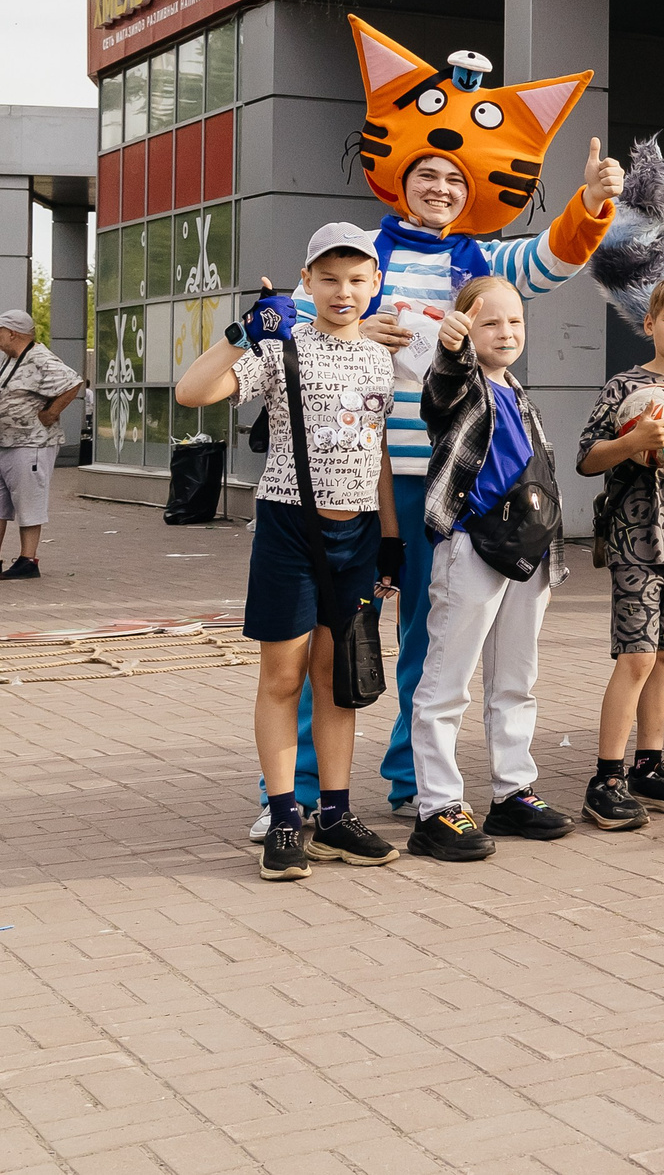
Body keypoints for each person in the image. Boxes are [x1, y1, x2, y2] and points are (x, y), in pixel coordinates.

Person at [330, 22, 622, 824]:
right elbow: (306, 313)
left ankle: (449, 781)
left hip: (465, 484)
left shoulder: (481, 262)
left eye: (454, 181)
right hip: (378, 477)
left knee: (461, 638)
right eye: (427, 173)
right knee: (382, 632)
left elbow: (549, 263)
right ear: (398, 177)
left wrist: (590, 202)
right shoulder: (361, 256)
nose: (441, 188)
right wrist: (355, 327)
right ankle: (359, 785)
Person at [175, 225, 402, 881]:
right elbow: (192, 392)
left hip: (358, 537)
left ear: (374, 284)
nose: (344, 290)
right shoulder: (279, 349)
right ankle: (283, 816)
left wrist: (392, 538)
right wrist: (240, 332)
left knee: (339, 679)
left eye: (357, 278)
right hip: (287, 530)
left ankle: (334, 815)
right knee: (282, 676)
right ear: (307, 281)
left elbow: (377, 450)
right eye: (329, 277)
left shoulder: (380, 361)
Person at [406, 279, 572, 861]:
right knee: (447, 683)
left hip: (526, 553)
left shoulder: (519, 392)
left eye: (515, 322)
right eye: (489, 323)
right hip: (472, 547)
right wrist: (449, 351)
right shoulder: (467, 385)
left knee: (515, 681)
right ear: (464, 327)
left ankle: (512, 791)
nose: (506, 333)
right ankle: (437, 808)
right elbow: (439, 393)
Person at [577, 274, 664, 831]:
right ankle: (606, 777)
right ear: (649, 324)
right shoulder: (623, 386)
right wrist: (630, 444)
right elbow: (588, 458)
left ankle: (649, 766)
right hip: (636, 540)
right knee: (636, 657)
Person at [0, 306, 82, 580]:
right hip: (6, 441)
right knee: (0, 504)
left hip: (31, 443)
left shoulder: (40, 357)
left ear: (12, 333)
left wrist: (50, 413)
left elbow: (72, 383)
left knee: (28, 502)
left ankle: (28, 560)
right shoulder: (9, 359)